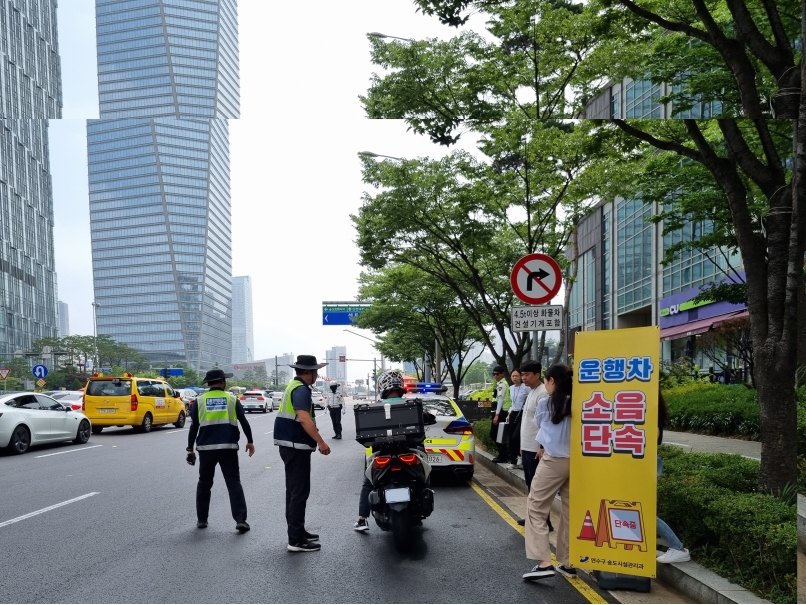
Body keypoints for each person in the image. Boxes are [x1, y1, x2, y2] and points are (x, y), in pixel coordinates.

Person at [186, 368, 255, 533]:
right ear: (223, 382)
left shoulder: (200, 400)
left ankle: (202, 520)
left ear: (209, 383)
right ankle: (240, 521)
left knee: (204, 483)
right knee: (233, 483)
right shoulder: (232, 399)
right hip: (228, 448)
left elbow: (194, 426)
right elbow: (243, 421)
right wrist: (250, 441)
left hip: (206, 450)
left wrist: (190, 449)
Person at [274, 355, 331, 552]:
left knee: (293, 491)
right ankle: (296, 540)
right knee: (299, 492)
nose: (317, 375)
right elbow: (304, 419)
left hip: (290, 445)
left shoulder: (293, 386)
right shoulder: (301, 389)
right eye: (315, 371)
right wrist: (321, 442)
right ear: (308, 372)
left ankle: (297, 531)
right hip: (295, 445)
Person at [523, 364, 575, 581]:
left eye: (546, 380)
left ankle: (544, 562)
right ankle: (570, 562)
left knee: (536, 507)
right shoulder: (580, 402)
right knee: (571, 511)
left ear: (552, 380)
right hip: (578, 463)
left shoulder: (546, 403)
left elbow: (539, 425)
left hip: (554, 461)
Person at [354, 371, 406, 532]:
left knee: (368, 481)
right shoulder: (410, 405)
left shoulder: (374, 408)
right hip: (407, 451)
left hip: (382, 453)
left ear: (382, 387)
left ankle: (362, 519)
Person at [656, 391, 691, 563]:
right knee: (637, 510)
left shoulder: (651, 416)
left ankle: (678, 547)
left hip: (645, 466)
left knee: (642, 511)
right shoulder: (651, 412)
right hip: (642, 466)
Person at [516, 360, 551, 532]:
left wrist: (542, 446)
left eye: (527, 374)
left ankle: (543, 520)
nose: (524, 378)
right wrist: (523, 445)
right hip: (528, 445)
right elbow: (527, 422)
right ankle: (536, 518)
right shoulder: (531, 391)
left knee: (538, 486)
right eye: (522, 374)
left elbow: (545, 423)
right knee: (531, 484)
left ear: (538, 374)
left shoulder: (543, 393)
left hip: (537, 448)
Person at [506, 369, 530, 470]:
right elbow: (513, 403)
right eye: (513, 376)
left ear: (520, 377)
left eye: (516, 376)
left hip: (522, 414)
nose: (514, 378)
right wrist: (509, 413)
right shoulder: (511, 388)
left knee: (518, 437)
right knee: (511, 438)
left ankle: (520, 458)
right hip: (513, 414)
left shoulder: (526, 387)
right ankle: (513, 461)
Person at [491, 365, 512, 464]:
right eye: (494, 374)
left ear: (502, 374)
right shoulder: (501, 383)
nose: (495, 376)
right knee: (497, 434)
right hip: (501, 412)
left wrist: (497, 415)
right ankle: (503, 454)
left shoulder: (502, 385)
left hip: (502, 412)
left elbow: (500, 400)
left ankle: (503, 455)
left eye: (497, 374)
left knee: (495, 434)